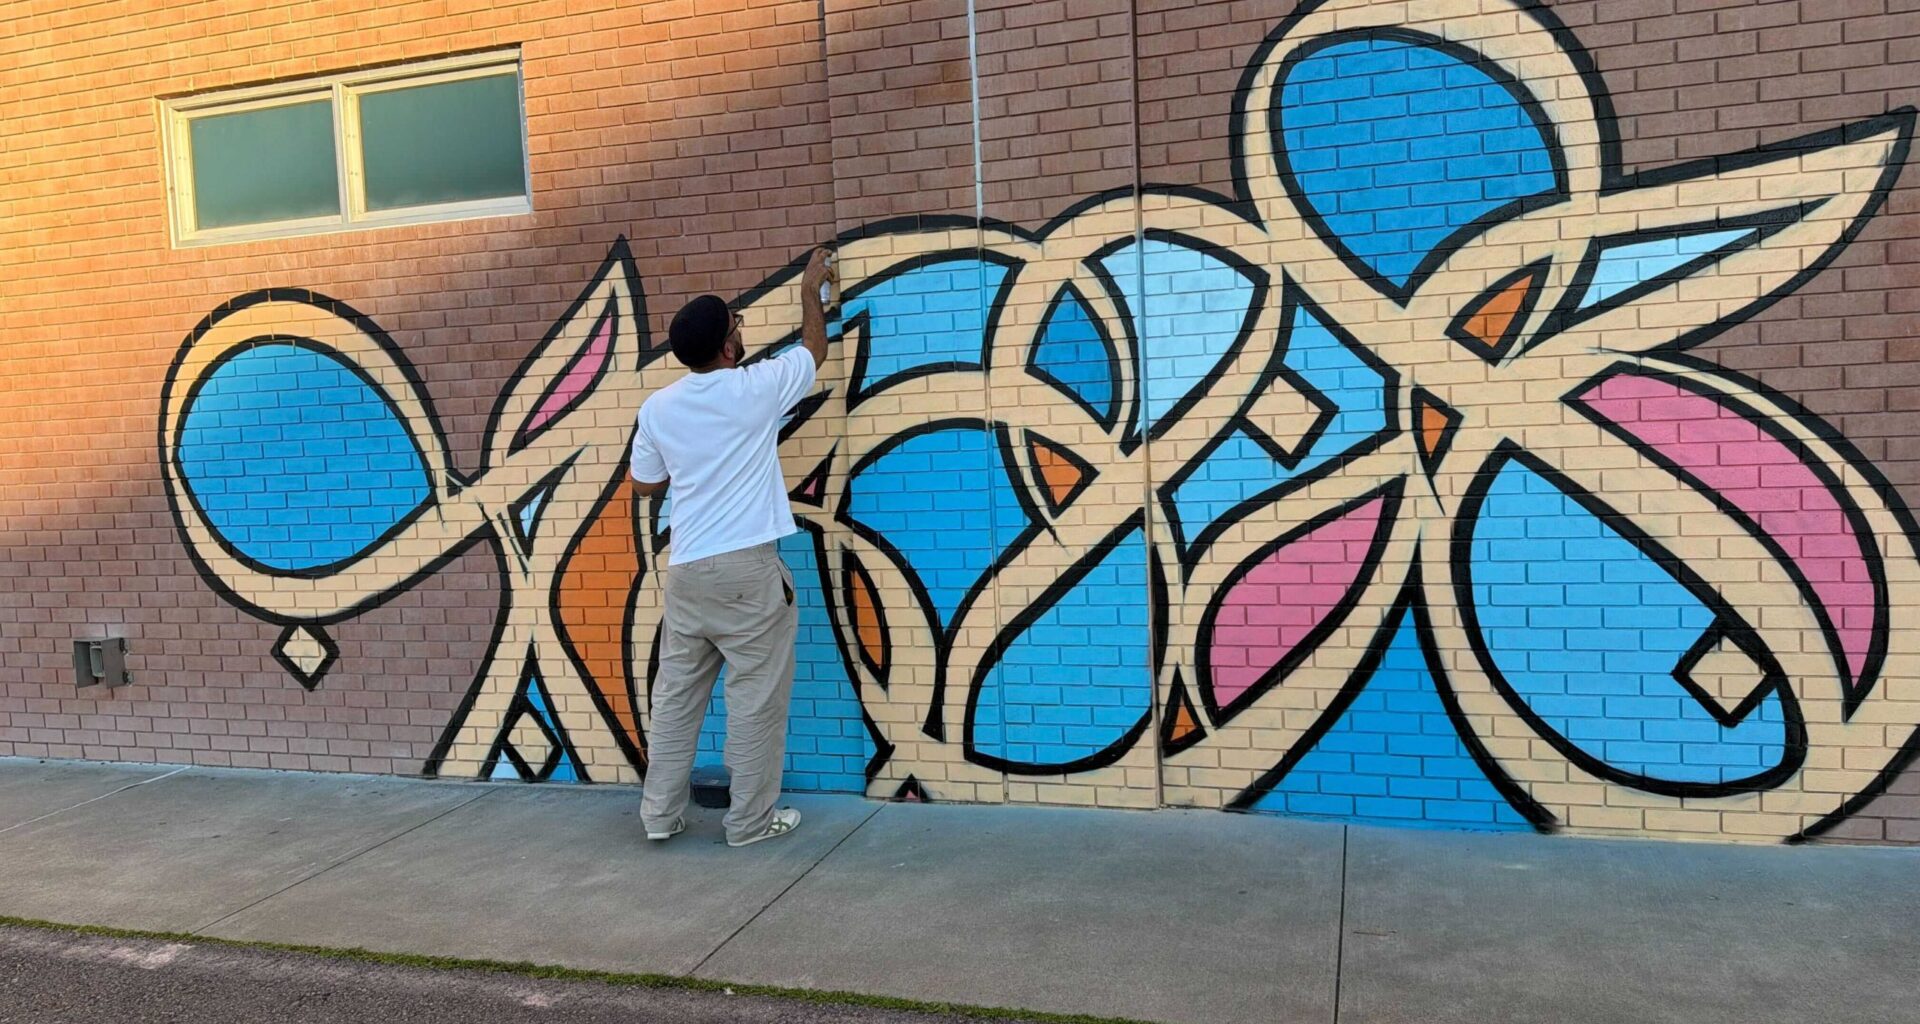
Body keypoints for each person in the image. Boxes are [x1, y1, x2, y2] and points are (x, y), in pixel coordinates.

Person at [628, 248, 835, 848]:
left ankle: (658, 818)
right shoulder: (755, 388)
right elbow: (813, 353)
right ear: (727, 346)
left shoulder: (658, 407)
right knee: (754, 701)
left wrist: (686, 464)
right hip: (747, 570)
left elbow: (643, 484)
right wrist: (809, 292)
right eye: (738, 328)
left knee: (676, 701)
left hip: (688, 570)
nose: (742, 334)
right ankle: (748, 824)